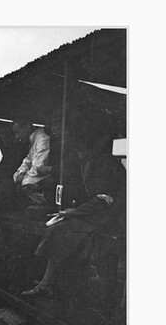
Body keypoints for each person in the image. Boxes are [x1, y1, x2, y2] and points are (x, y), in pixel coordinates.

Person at [20, 124, 126, 298]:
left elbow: (104, 200)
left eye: (80, 151)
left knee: (61, 229)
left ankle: (50, 283)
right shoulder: (93, 162)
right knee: (61, 227)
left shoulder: (104, 163)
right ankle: (52, 282)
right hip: (104, 215)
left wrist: (74, 212)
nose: (79, 155)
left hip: (114, 218)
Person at [12, 119, 53, 206]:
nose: (16, 136)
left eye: (18, 132)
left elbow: (38, 168)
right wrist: (20, 173)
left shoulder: (42, 139)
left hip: (41, 183)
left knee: (25, 186)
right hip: (33, 182)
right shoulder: (33, 140)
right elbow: (27, 161)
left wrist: (22, 178)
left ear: (27, 127)